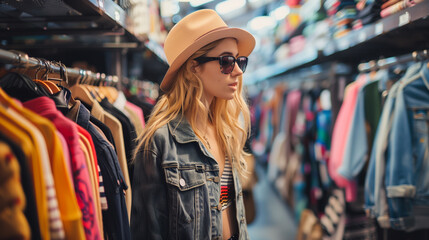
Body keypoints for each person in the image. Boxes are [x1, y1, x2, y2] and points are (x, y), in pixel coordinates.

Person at [130, 9, 255, 240]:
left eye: (239, 60)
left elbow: (229, 210)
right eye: (226, 61)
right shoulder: (160, 143)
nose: (237, 71)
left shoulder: (225, 130)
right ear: (193, 67)